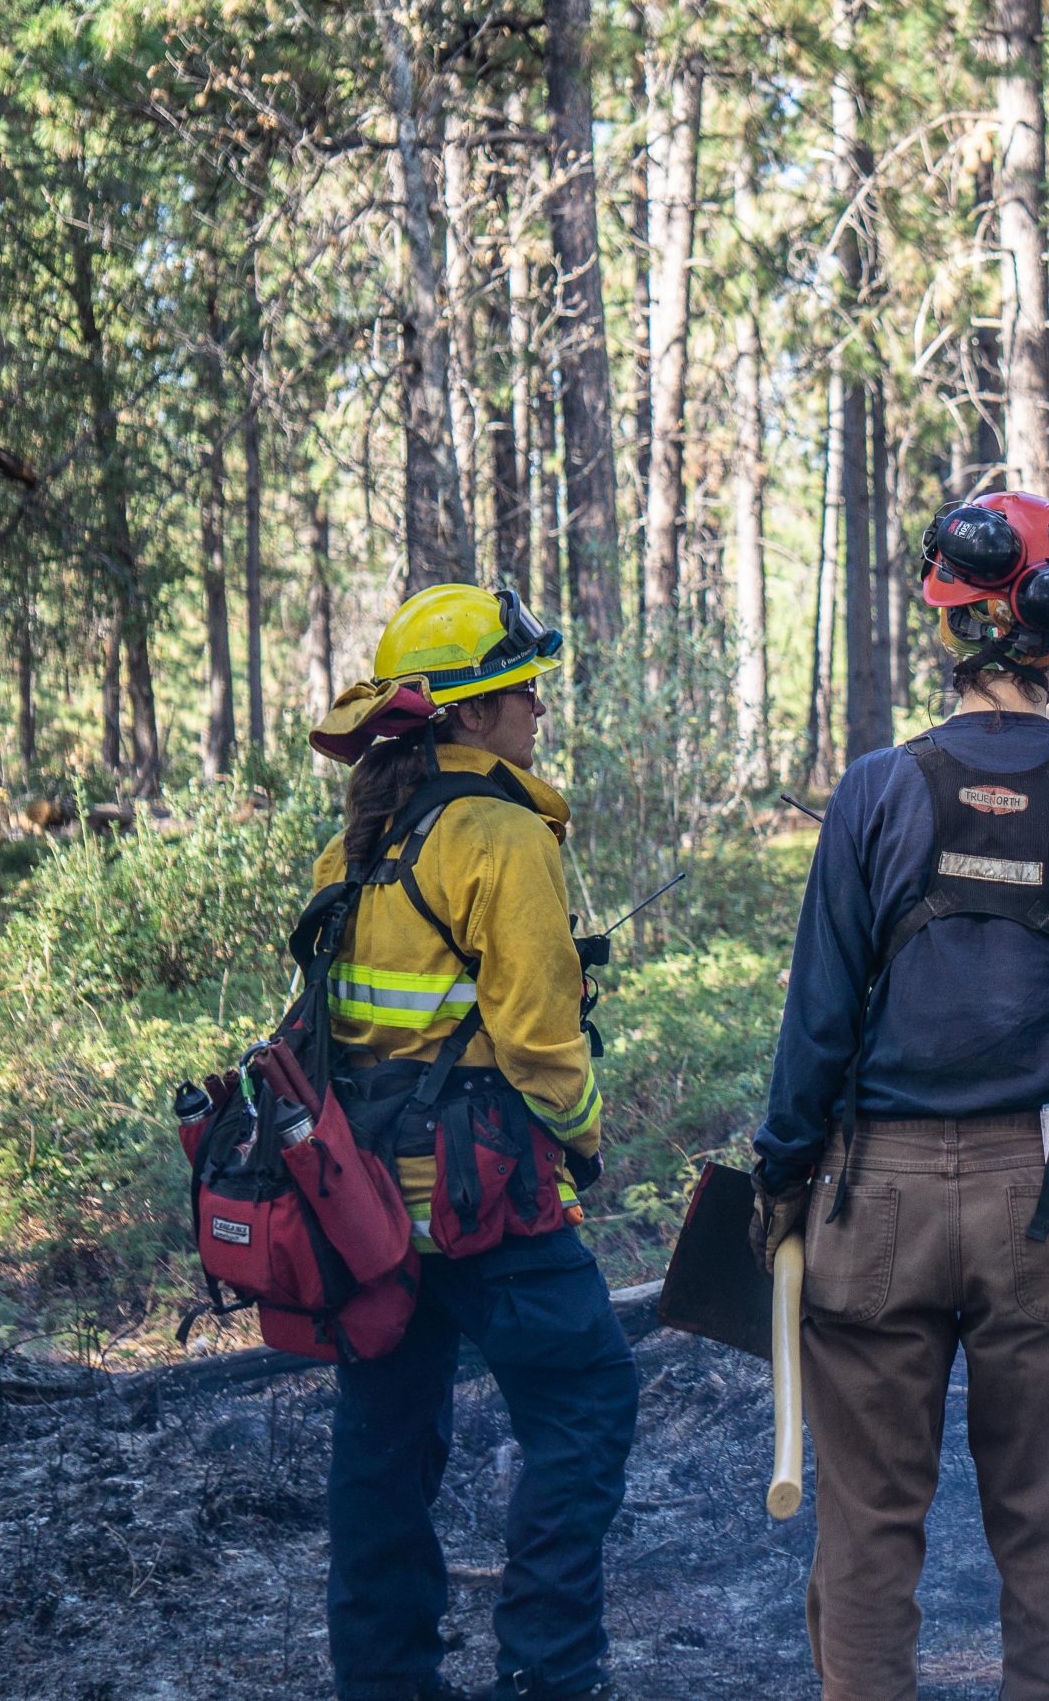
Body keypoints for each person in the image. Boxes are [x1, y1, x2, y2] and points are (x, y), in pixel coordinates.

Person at [751, 489, 1049, 1701]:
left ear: (951, 623)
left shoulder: (876, 793)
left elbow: (819, 1019)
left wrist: (781, 1173)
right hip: (1045, 1204)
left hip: (870, 1204)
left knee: (868, 1530)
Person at [308, 584, 635, 1701]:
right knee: (586, 1403)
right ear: (470, 716)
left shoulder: (355, 843)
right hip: (489, 1203)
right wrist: (587, 1141)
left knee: (386, 1447)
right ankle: (548, 1673)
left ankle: (384, 1679)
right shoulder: (502, 835)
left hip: (364, 1213)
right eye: (518, 689)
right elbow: (543, 1043)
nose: (537, 707)